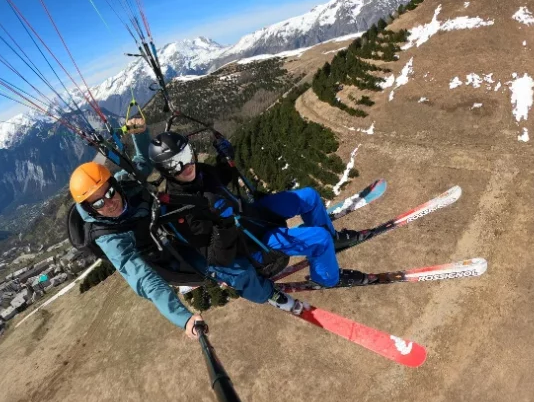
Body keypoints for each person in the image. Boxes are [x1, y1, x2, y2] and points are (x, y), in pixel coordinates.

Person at [70, 117, 251, 340]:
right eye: (98, 203)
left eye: (109, 193)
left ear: (114, 185)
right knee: (229, 268)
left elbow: (141, 164)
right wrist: (183, 318)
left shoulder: (125, 183)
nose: (109, 203)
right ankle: (259, 284)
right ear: (89, 208)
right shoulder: (109, 238)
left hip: (170, 224)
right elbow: (144, 278)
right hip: (165, 256)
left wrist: (140, 134)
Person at [146, 131, 370, 290]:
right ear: (164, 171)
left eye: (186, 156)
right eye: (175, 165)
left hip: (254, 214)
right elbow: (217, 259)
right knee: (319, 239)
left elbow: (223, 179)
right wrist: (223, 224)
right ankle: (327, 278)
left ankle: (332, 240)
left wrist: (225, 159)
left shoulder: (201, 171)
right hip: (254, 243)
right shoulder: (181, 209)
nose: (187, 166)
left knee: (309, 196)